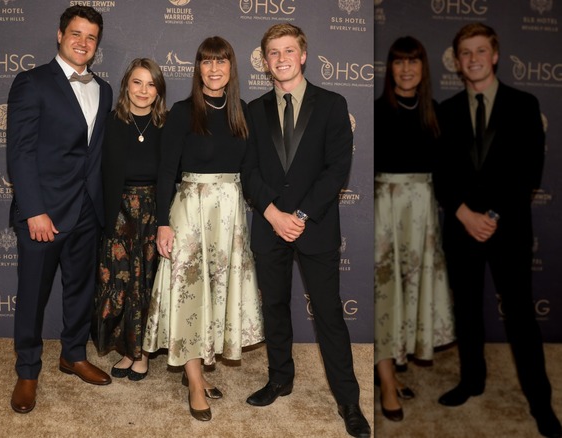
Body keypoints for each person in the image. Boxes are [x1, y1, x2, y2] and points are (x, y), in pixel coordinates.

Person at [241, 23, 370, 437]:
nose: (281, 58)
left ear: (303, 55)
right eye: (273, 52)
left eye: (288, 50)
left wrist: (298, 215)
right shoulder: (252, 110)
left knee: (329, 315)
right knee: (274, 308)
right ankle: (280, 378)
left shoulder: (332, 104)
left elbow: (337, 170)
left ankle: (348, 400)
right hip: (269, 225)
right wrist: (274, 213)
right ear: (265, 61)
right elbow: (249, 170)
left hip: (313, 227)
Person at [434, 23, 561, 438]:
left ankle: (540, 403)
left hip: (507, 229)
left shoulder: (525, 104)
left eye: (480, 50)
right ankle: (472, 381)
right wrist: (464, 213)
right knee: (467, 311)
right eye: (464, 52)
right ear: (458, 60)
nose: (472, 58)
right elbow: (441, 175)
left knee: (521, 318)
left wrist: (491, 216)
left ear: (495, 55)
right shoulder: (445, 110)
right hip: (461, 228)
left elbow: (529, 173)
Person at [143, 36, 264, 422]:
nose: (214, 69)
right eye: (207, 62)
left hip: (229, 215)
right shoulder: (182, 112)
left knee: (215, 293)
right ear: (198, 68)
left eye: (222, 62)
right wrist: (163, 222)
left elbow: (251, 172)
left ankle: (200, 364)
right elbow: (166, 172)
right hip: (190, 212)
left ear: (231, 68)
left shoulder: (242, 112)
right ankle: (195, 382)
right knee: (190, 295)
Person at [6, 5, 113, 415]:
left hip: (87, 210)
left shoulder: (102, 89)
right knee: (33, 296)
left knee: (80, 290)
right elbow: (20, 152)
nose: (83, 42)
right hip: (44, 213)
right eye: (76, 34)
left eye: (91, 37)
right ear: (59, 35)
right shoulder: (31, 82)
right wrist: (33, 210)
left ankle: (73, 353)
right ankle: (28, 371)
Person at [373, 36, 456, 422]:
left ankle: (392, 362)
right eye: (398, 62)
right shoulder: (376, 112)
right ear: (389, 69)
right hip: (384, 214)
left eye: (414, 62)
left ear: (423, 69)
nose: (406, 69)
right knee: (385, 295)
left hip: (422, 215)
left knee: (411, 293)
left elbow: (449, 174)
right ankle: (387, 379)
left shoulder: (435, 112)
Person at [92, 58, 167, 381]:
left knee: (148, 285)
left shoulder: (168, 125)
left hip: (154, 213)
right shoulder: (109, 123)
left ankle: (144, 354)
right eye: (137, 82)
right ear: (126, 85)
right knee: (119, 284)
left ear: (158, 91)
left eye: (151, 84)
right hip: (117, 214)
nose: (143, 90)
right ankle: (126, 349)